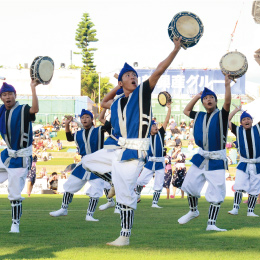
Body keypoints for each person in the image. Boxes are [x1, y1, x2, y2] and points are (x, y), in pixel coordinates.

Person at [81, 37, 182, 246]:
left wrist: (176, 48)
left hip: (134, 152)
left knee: (125, 198)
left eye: (135, 75)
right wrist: (118, 85)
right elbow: (103, 102)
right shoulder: (118, 102)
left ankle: (124, 236)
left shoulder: (142, 94)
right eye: (128, 76)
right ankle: (115, 183)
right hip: (117, 150)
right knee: (87, 161)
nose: (133, 77)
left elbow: (160, 70)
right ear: (121, 83)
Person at [178, 74, 231, 232]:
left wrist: (227, 85)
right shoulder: (199, 115)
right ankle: (193, 211)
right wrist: (197, 96)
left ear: (216, 101)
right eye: (206, 98)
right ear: (202, 102)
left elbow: (227, 102)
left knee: (217, 192)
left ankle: (211, 224)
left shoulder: (222, 115)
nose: (208, 100)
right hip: (201, 157)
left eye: (211, 98)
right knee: (189, 185)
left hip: (216, 158)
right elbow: (186, 110)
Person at [49, 108, 112, 221]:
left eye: (87, 117)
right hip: (83, 164)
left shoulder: (99, 130)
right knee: (69, 185)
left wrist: (101, 115)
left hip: (97, 164)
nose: (84, 119)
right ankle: (64, 208)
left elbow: (109, 126)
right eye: (82, 118)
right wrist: (67, 125)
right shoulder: (78, 133)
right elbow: (68, 138)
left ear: (92, 119)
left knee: (96, 189)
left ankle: (90, 214)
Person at [0, 80, 39, 233]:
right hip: (7, 155)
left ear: (15, 95)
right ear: (1, 97)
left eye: (10, 94)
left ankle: (15, 223)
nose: (8, 97)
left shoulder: (22, 109)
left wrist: (33, 88)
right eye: (4, 94)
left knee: (14, 194)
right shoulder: (1, 110)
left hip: (21, 158)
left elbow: (35, 108)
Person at [136, 103, 172, 208]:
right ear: (149, 128)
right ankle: (137, 195)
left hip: (160, 162)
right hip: (150, 162)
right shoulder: (146, 136)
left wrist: (169, 109)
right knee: (139, 181)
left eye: (155, 125)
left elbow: (166, 120)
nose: (155, 126)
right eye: (153, 125)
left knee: (159, 183)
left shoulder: (160, 133)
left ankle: (155, 203)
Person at [227, 107, 260, 217]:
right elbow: (226, 119)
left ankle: (250, 211)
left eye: (248, 119)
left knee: (255, 188)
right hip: (244, 163)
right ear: (241, 123)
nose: (246, 121)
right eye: (244, 119)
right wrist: (236, 110)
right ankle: (235, 208)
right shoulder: (238, 130)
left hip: (257, 164)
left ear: (252, 120)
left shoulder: (258, 128)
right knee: (239, 186)